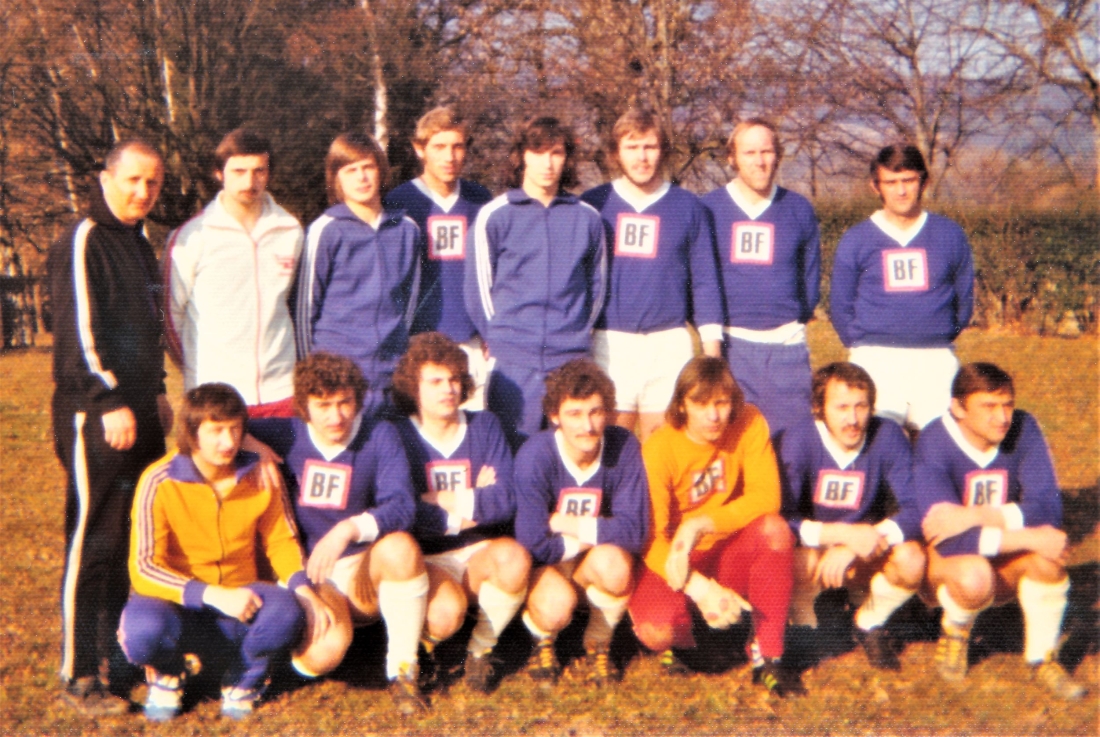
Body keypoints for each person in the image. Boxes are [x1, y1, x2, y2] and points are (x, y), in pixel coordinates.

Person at [118, 383, 333, 721]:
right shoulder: (158, 480)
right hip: (178, 603)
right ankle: (168, 673)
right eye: (216, 431)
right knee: (142, 631)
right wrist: (210, 594)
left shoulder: (260, 474)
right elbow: (144, 567)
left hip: (241, 601)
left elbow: (282, 541)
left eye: (235, 429)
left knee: (288, 610)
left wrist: (303, 588)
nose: (229, 442)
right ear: (192, 433)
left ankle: (243, 678)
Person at [49, 139, 175, 714]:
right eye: (132, 181)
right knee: (94, 537)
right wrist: (109, 402)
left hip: (141, 411)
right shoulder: (85, 240)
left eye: (152, 183)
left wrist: (156, 395)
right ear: (106, 179)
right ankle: (78, 672)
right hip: (96, 417)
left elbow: (145, 334)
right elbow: (81, 336)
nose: (142, 192)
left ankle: (118, 657)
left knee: (132, 537)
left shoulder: (140, 243)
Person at [246, 352, 433, 714]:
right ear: (303, 405)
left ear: (358, 399)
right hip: (311, 571)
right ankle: (283, 662)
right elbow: (223, 418)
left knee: (401, 548)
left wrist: (348, 529)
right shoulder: (287, 432)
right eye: (323, 405)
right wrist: (251, 443)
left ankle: (404, 672)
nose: (336, 416)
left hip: (360, 566)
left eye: (345, 403)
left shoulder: (379, 434)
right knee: (325, 652)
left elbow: (402, 507)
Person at [630, 356, 803, 696]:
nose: (713, 415)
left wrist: (701, 523)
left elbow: (767, 497)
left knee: (775, 530)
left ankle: (767, 654)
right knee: (656, 630)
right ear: (682, 404)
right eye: (701, 403)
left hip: (726, 548)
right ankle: (686, 640)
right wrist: (699, 588)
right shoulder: (660, 447)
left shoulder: (749, 422)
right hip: (676, 559)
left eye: (722, 403)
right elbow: (651, 539)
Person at [916, 363, 1085, 699]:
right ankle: (956, 631)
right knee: (975, 575)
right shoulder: (933, 440)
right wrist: (1029, 536)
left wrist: (975, 514)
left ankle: (1042, 657)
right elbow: (947, 538)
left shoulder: (1025, 427)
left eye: (1007, 404)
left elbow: (1049, 508)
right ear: (958, 407)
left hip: (998, 552)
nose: (1002, 417)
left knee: (1048, 564)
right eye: (988, 407)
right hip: (946, 565)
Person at [390, 332, 531, 693]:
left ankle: (480, 652)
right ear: (414, 386)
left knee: (515, 559)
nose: (448, 389)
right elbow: (406, 510)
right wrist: (474, 498)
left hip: (479, 550)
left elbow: (507, 499)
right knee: (445, 614)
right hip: (429, 557)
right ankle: (425, 647)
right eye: (435, 381)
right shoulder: (399, 435)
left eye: (454, 378)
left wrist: (439, 498)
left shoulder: (484, 425)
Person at [581, 109, 724, 442]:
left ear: (663, 150)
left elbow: (704, 282)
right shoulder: (593, 204)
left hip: (668, 344)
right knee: (609, 445)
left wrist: (712, 356)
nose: (641, 157)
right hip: (609, 343)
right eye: (632, 147)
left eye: (650, 146)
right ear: (616, 153)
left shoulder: (689, 207)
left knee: (665, 447)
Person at [465, 116, 607, 447]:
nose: (547, 163)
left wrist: (573, 333)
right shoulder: (494, 215)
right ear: (522, 156)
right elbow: (478, 289)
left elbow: (597, 287)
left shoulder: (587, 218)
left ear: (567, 159)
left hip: (569, 358)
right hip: (513, 361)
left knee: (569, 454)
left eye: (556, 153)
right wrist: (499, 337)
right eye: (538, 151)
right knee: (512, 453)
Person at [779, 362, 925, 670]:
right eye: (842, 407)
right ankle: (804, 629)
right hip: (814, 551)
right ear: (819, 408)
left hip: (865, 546)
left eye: (861, 406)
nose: (853, 419)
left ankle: (869, 621)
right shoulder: (799, 438)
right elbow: (782, 519)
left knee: (912, 560)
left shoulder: (887, 435)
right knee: (793, 560)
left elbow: (917, 507)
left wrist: (860, 542)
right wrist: (842, 536)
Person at [513, 360, 648, 686]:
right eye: (574, 414)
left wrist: (569, 524)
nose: (587, 425)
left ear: (609, 412)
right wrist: (602, 528)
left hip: (589, 560)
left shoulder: (623, 446)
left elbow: (636, 532)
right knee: (557, 604)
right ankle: (541, 639)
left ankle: (598, 643)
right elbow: (533, 542)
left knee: (616, 564)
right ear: (555, 416)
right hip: (548, 567)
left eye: (596, 412)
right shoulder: (536, 455)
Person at [830, 144, 974, 434]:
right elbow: (840, 305)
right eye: (891, 183)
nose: (901, 191)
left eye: (909, 181)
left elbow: (964, 300)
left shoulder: (950, 234)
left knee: (940, 446)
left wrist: (934, 332)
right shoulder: (857, 238)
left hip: (935, 360)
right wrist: (864, 343)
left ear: (924, 181)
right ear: (876, 186)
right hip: (876, 358)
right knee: (879, 446)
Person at [164, 128, 303, 417]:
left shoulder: (290, 230)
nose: (249, 181)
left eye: (259, 171)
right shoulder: (191, 236)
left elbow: (294, 306)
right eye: (238, 171)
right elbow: (170, 314)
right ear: (219, 173)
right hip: (217, 395)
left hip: (282, 391)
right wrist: (196, 370)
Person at [701, 118, 820, 441]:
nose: (759, 160)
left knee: (791, 444)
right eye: (749, 152)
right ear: (732, 157)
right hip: (731, 346)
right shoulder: (708, 209)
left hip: (786, 348)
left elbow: (809, 282)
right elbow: (697, 281)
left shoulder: (798, 209)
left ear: (778, 155)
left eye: (766, 151)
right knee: (732, 442)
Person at [297, 132, 421, 418]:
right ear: (336, 178)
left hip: (391, 374)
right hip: (338, 376)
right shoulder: (325, 230)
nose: (361, 177)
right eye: (351, 170)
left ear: (381, 171)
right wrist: (312, 372)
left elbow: (410, 303)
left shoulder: (407, 229)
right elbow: (305, 311)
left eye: (368, 167)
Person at [385, 107, 495, 409]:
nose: (450, 156)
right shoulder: (398, 202)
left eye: (457, 146)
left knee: (471, 434)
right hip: (417, 343)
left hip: (471, 343)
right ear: (420, 149)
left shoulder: (480, 200)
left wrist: (490, 329)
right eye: (439, 147)